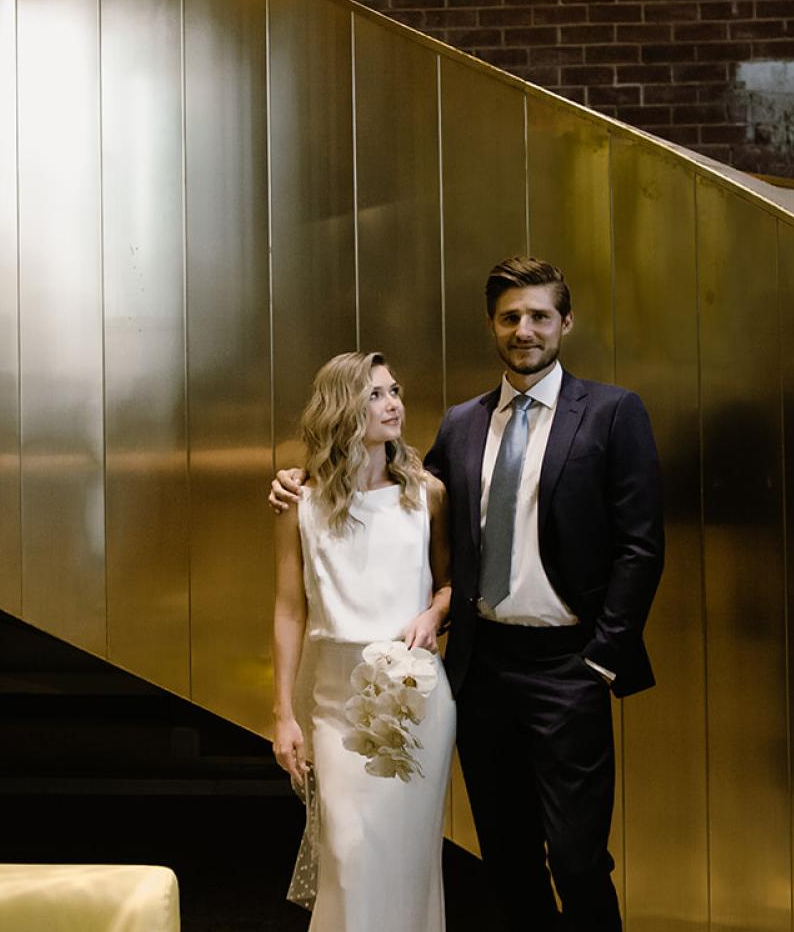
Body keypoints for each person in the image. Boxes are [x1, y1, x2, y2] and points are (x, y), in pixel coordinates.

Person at [272, 257, 665, 931]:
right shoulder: (461, 424)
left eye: (540, 315)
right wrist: (292, 478)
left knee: (575, 858)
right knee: (507, 860)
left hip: (570, 665)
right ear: (493, 325)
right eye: (510, 316)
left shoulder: (612, 412)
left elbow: (641, 544)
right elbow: (408, 516)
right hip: (481, 671)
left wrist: (602, 655)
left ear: (565, 322)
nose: (525, 329)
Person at [270, 351, 456, 932]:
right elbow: (288, 609)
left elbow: (450, 585)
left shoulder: (426, 495)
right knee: (348, 855)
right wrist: (282, 713)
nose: (393, 403)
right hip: (333, 700)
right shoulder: (300, 503)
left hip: (415, 699)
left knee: (407, 858)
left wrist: (435, 612)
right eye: (374, 394)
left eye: (394, 390)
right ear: (342, 409)